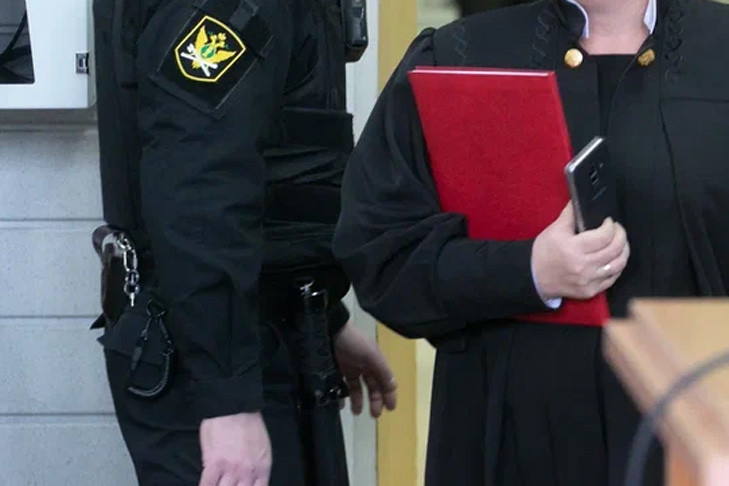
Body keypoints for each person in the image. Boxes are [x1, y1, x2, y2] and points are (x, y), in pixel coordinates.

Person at [334, 0, 729, 484]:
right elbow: (382, 253)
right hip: (514, 444)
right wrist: (529, 271)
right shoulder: (461, 54)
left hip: (700, 434)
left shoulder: (720, 48)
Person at [91, 0, 397, 484]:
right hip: (212, 350)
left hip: (257, 334)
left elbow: (274, 160)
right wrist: (227, 398)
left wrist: (319, 319)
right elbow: (200, 193)